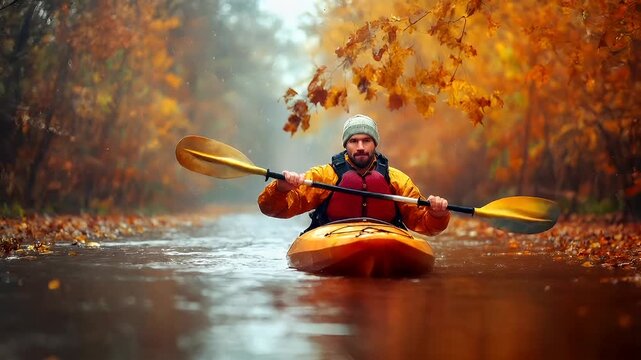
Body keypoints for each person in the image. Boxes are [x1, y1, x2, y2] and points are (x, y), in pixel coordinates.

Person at [257, 114, 450, 235]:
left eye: (366, 140)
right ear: (345, 145)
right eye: (353, 141)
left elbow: (425, 225)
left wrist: (437, 214)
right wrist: (281, 189)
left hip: (384, 238)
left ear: (375, 144)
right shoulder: (324, 176)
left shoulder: (397, 179)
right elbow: (272, 209)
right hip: (333, 237)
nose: (360, 147)